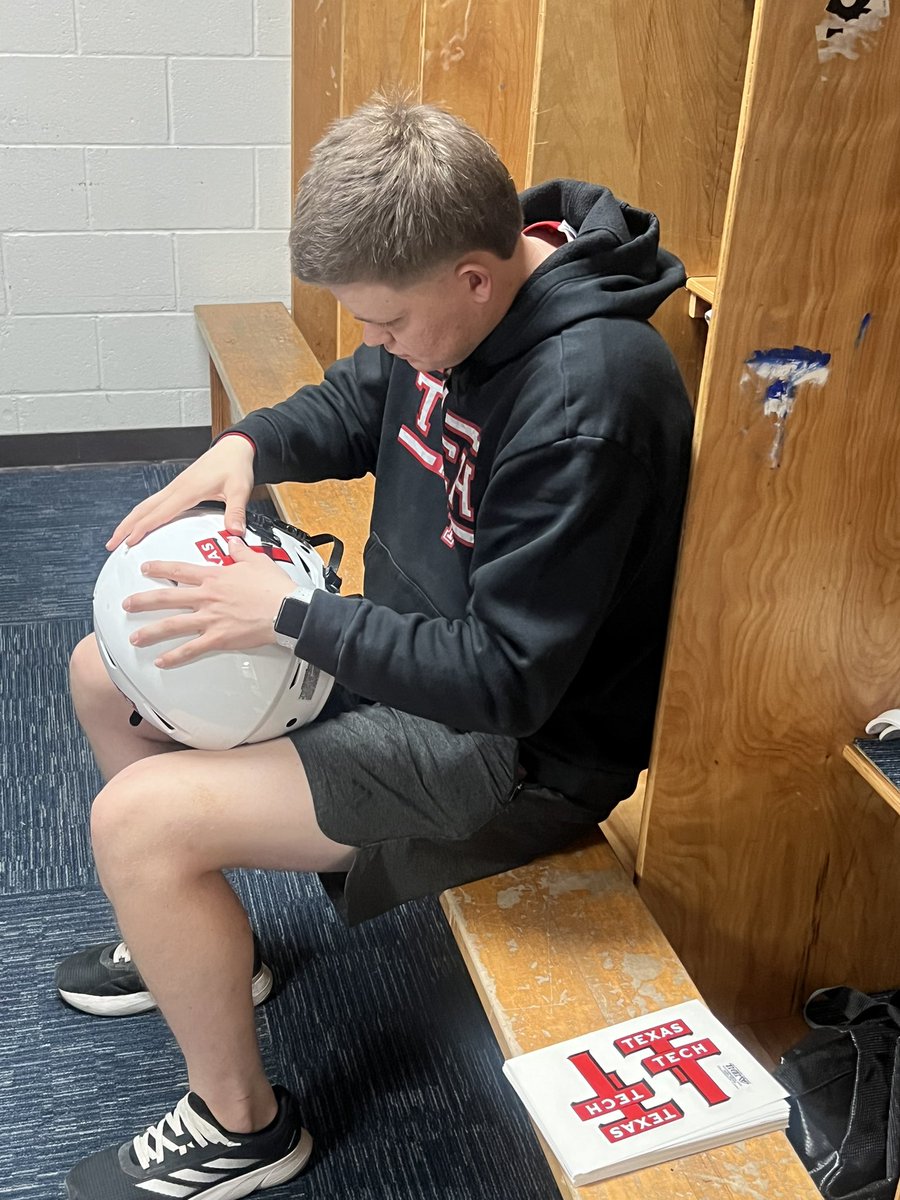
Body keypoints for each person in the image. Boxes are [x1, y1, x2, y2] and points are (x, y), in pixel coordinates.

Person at [58, 94, 693, 1199]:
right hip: (398, 655)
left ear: (476, 280)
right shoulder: (457, 291)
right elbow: (368, 397)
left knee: (138, 829)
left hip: (510, 751)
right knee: (97, 674)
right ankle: (213, 956)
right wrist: (249, 444)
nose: (376, 342)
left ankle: (241, 1126)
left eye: (385, 321)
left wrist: (292, 616)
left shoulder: (589, 397)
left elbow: (506, 679)